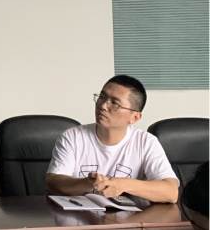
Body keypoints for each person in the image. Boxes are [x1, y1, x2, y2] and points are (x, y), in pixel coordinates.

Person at [46, 74, 178, 203]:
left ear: (134, 117)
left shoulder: (146, 142)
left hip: (130, 216)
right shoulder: (73, 137)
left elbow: (171, 192)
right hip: (80, 215)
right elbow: (52, 181)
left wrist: (122, 184)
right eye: (102, 97)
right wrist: (88, 183)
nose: (103, 106)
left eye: (115, 103)